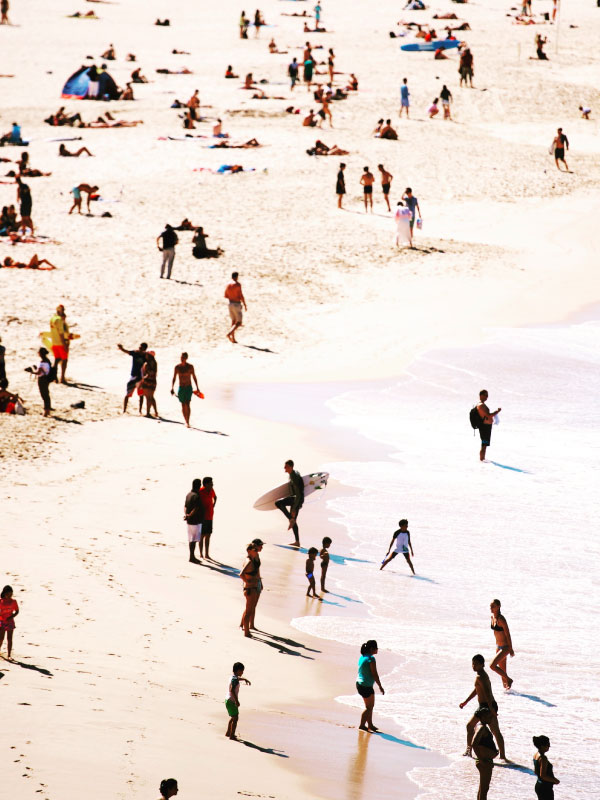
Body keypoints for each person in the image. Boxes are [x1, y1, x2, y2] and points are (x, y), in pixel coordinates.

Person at [460, 654, 507, 760]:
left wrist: (492, 711)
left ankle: (469, 751)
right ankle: (502, 756)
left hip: (487, 707)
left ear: (482, 664)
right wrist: (466, 702)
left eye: (476, 664)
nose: (474, 666)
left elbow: (487, 694)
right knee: (492, 730)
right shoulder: (480, 675)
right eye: (473, 663)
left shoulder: (481, 676)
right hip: (485, 706)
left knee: (492, 730)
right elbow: (477, 689)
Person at [275, 460, 304, 546]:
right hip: (296, 499)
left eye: (286, 466)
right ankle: (297, 541)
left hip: (296, 499)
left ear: (291, 467)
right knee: (294, 521)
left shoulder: (294, 476)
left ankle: (290, 519)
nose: (284, 468)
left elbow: (298, 493)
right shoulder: (294, 473)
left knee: (278, 503)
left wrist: (295, 507)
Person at [356, 640, 384, 731]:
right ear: (372, 649)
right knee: (369, 708)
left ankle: (370, 725)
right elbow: (374, 674)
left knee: (369, 707)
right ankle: (362, 725)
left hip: (360, 684)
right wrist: (380, 686)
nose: (377, 649)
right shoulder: (371, 659)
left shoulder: (363, 657)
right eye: (376, 648)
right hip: (366, 685)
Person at [472, 710, 498, 800]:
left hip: (484, 760)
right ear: (482, 717)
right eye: (488, 716)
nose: (491, 718)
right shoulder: (482, 728)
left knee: (482, 789)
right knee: (484, 790)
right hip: (484, 761)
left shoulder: (478, 726)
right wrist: (482, 760)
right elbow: (474, 744)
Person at [489, 599, 514, 689]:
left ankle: (509, 679)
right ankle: (508, 695)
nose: (491, 608)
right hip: (498, 647)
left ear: (498, 607)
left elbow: (508, 634)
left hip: (505, 647)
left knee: (492, 665)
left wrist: (510, 649)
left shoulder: (501, 619)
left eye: (493, 606)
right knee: (502, 673)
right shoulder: (493, 618)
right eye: (490, 606)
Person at [171, 352, 200, 428]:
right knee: (183, 404)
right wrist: (172, 387)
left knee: (188, 404)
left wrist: (197, 388)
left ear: (186, 358)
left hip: (188, 387)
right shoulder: (177, 367)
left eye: (183, 357)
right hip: (181, 388)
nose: (182, 359)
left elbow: (194, 377)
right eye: (181, 357)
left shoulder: (190, 367)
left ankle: (188, 421)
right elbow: (174, 377)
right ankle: (185, 420)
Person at [240, 541, 262, 636]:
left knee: (250, 609)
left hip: (253, 587)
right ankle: (246, 632)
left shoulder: (253, 559)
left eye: (257, 550)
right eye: (255, 550)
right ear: (249, 551)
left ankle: (246, 629)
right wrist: (247, 582)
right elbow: (241, 574)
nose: (257, 551)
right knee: (249, 611)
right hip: (250, 589)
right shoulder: (249, 561)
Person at [117, 342, 147, 413]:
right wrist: (121, 348)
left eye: (141, 347)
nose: (139, 348)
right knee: (128, 394)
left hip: (140, 378)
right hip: (133, 377)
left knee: (141, 395)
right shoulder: (135, 353)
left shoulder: (145, 356)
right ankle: (124, 410)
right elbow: (127, 352)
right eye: (139, 347)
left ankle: (140, 410)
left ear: (144, 349)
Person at [226, 662, 252, 739]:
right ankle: (232, 735)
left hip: (227, 700)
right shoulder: (235, 680)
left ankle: (228, 732)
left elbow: (236, 679)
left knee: (233, 717)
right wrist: (237, 701)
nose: (242, 672)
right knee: (235, 718)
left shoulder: (232, 677)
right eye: (241, 671)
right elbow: (232, 690)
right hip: (232, 701)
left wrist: (244, 679)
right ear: (237, 670)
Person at [476, 389, 501, 461]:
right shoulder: (481, 405)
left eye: (487, 395)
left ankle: (482, 459)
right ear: (481, 395)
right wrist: (497, 411)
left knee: (484, 445)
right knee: (484, 445)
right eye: (485, 395)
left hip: (486, 427)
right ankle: (481, 460)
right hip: (485, 427)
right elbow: (488, 416)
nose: (487, 397)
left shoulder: (482, 405)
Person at [26, 347, 52, 416]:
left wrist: (31, 371)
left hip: (42, 379)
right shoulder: (48, 360)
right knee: (46, 394)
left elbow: (38, 372)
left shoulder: (42, 362)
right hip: (47, 379)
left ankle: (46, 411)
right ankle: (48, 410)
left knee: (44, 395)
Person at [224, 272, 247, 343]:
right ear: (236, 277)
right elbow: (240, 295)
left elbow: (226, 295)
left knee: (233, 321)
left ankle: (233, 338)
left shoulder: (228, 284)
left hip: (230, 303)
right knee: (239, 322)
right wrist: (245, 304)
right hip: (236, 304)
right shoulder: (237, 284)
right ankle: (229, 333)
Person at [184, 478, 203, 562]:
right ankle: (192, 557)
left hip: (189, 520)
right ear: (199, 485)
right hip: (195, 520)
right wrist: (190, 515)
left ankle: (191, 556)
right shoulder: (196, 496)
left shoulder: (188, 494)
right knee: (194, 540)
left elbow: (185, 507)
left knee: (191, 539)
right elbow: (196, 508)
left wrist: (187, 515)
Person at [49, 304, 70, 383]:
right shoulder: (59, 320)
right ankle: (62, 378)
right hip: (60, 343)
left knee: (56, 360)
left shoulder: (52, 319)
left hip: (54, 343)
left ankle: (54, 377)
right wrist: (64, 344)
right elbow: (61, 333)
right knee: (64, 360)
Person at [199, 477, 217, 559]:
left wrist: (213, 506)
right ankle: (201, 554)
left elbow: (215, 497)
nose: (212, 484)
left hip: (210, 516)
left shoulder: (212, 490)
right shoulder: (200, 491)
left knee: (208, 535)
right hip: (202, 517)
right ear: (205, 484)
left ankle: (207, 554)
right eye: (210, 483)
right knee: (202, 535)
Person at [0, 585, 19, 659]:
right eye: (8, 594)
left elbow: (17, 611)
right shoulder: (0, 601)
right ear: (4, 593)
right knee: (1, 638)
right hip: (2, 621)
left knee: (9, 639)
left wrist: (11, 617)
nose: (10, 595)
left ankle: (9, 655)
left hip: (10, 622)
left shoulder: (13, 602)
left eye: (11, 594)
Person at [139, 350, 158, 417]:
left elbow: (148, 373)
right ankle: (155, 412)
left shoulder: (147, 364)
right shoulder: (154, 363)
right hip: (153, 381)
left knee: (148, 398)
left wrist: (143, 379)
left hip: (147, 381)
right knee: (151, 397)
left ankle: (148, 413)